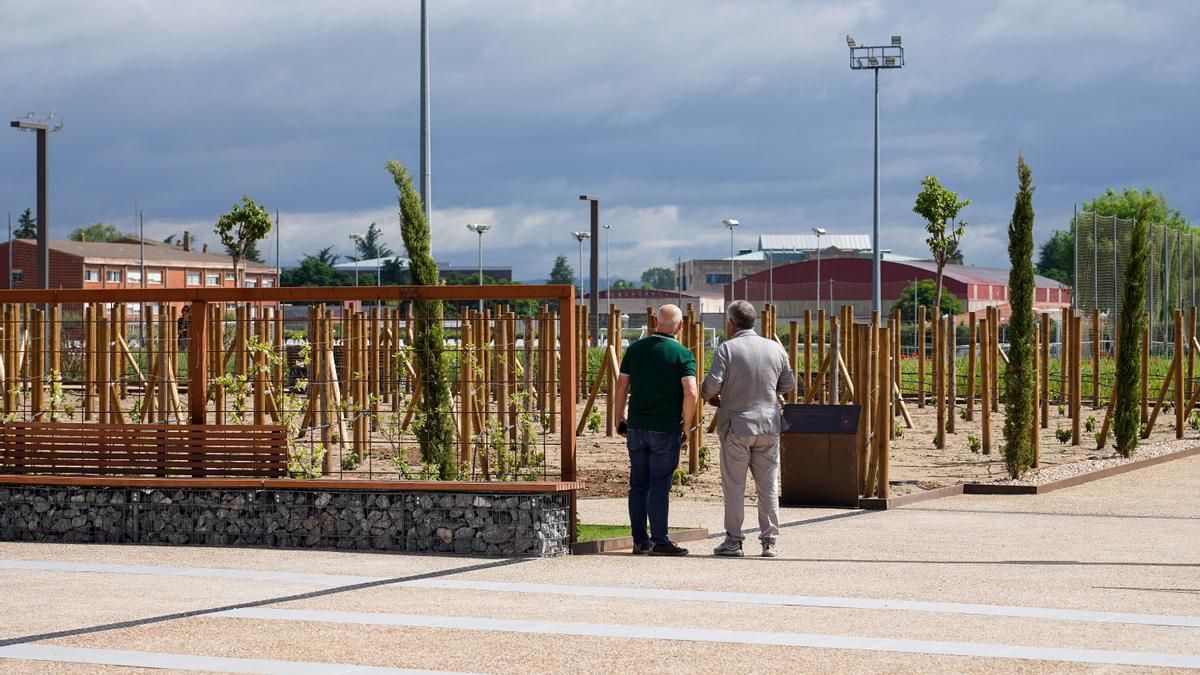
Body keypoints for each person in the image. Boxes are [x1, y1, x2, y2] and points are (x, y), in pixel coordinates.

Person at [703, 300, 795, 558]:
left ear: (731, 324)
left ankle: (733, 540)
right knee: (768, 486)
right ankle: (769, 541)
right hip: (769, 425)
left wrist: (711, 396)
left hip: (737, 426)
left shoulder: (727, 349)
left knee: (734, 486)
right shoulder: (775, 348)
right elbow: (788, 383)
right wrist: (767, 392)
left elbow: (712, 384)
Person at [613, 304, 698, 556]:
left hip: (637, 426)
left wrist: (619, 416)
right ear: (680, 326)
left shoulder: (635, 349)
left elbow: (621, 383)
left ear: (654, 321)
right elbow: (691, 391)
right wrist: (687, 423)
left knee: (637, 484)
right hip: (665, 427)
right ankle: (660, 540)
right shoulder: (683, 354)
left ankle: (639, 540)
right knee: (659, 485)